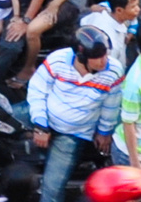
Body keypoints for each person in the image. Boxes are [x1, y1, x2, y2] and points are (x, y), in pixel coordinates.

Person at [27, 26, 124, 202]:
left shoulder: (113, 71)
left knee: (51, 191)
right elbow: (37, 90)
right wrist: (40, 124)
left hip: (73, 135)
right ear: (81, 57)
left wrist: (104, 132)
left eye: (105, 55)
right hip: (45, 117)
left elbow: (111, 105)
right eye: (98, 57)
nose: (105, 61)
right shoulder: (58, 60)